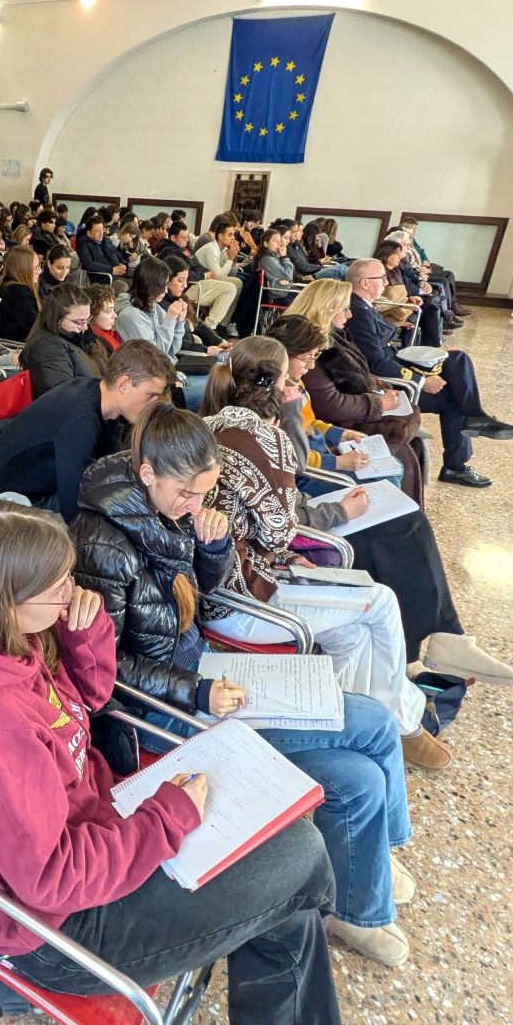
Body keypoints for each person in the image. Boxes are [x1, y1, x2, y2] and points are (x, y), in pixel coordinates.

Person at [0, 500, 361, 1025]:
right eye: (58, 586)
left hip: (100, 830)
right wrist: (167, 816)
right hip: (59, 927)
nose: (74, 592)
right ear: (5, 597)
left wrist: (82, 639)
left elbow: (74, 715)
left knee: (285, 862)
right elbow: (50, 875)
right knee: (301, 860)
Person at [71, 404, 417, 968]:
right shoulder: (100, 545)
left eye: (203, 494)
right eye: (186, 493)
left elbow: (200, 604)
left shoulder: (172, 511)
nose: (193, 506)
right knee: (366, 747)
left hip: (203, 674)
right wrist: (197, 693)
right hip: (161, 713)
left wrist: (211, 547)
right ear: (146, 474)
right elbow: (102, 669)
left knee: (360, 768)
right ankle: (364, 892)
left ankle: (366, 872)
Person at [198, 342, 513, 752]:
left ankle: (359, 719)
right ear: (277, 384)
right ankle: (405, 721)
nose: (300, 379)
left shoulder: (213, 424)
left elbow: (261, 520)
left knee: (356, 635)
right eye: (291, 376)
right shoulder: (263, 439)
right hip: (242, 597)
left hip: (234, 582)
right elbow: (281, 529)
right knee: (380, 602)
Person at [345, 260, 513, 487]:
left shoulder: (364, 305)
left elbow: (381, 350)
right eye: (382, 278)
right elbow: (375, 362)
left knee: (457, 358)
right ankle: (456, 463)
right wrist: (421, 380)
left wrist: (431, 355)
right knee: (452, 400)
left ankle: (476, 416)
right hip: (384, 381)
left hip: (392, 361)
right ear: (365, 283)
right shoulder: (357, 312)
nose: (386, 282)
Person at [0, 341, 173, 520]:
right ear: (124, 384)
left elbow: (103, 467)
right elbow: (73, 507)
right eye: (151, 395)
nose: (154, 403)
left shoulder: (97, 396)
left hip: (35, 484)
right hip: (2, 501)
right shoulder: (80, 421)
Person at [281, 282, 425, 499]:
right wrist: (376, 404)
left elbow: (310, 422)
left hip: (328, 438)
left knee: (398, 460)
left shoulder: (299, 374)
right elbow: (296, 454)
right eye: (344, 309)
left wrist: (342, 434)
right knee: (394, 467)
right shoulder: (287, 389)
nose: (349, 315)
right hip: (316, 462)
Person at [115, 257, 209, 409]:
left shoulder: (153, 307)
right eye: (163, 286)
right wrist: (170, 320)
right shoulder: (130, 316)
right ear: (151, 285)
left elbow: (173, 350)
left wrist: (179, 322)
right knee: (217, 388)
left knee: (217, 380)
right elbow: (156, 356)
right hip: (151, 383)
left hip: (168, 373)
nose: (166, 291)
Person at [22, 286, 101, 399]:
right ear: (57, 319)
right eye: (79, 322)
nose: (84, 327)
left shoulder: (76, 337)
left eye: (87, 320)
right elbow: (62, 397)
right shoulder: (46, 349)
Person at [0, 247, 40, 342]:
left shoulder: (7, 286)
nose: (39, 271)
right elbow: (36, 326)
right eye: (35, 268)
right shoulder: (18, 293)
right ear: (23, 269)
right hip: (19, 346)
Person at [77, 214, 127, 280]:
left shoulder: (106, 240)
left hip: (116, 273)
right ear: (89, 233)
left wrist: (124, 265)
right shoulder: (83, 244)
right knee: (126, 284)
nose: (101, 233)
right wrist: (111, 270)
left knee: (136, 276)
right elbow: (89, 264)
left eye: (102, 229)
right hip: (103, 276)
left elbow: (116, 253)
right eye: (97, 231)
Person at [88, 283, 121, 353]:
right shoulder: (95, 344)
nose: (115, 315)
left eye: (113, 309)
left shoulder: (113, 334)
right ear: (93, 313)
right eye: (109, 311)